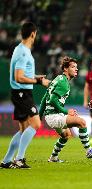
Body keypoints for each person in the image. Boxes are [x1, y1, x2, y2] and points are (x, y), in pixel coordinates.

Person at [0, 22, 50, 169]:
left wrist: (36, 77)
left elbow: (22, 74)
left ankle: (6, 161)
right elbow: (19, 77)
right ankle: (19, 159)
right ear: (33, 34)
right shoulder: (23, 52)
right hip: (22, 93)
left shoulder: (20, 49)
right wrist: (38, 82)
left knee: (23, 129)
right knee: (36, 124)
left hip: (20, 93)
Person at [39, 56, 92, 163]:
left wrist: (39, 116)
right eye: (73, 67)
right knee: (82, 122)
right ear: (65, 69)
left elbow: (45, 97)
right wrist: (66, 111)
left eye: (76, 67)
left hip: (52, 115)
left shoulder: (58, 78)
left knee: (66, 135)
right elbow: (53, 100)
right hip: (54, 116)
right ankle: (89, 151)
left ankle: (53, 158)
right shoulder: (64, 82)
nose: (76, 69)